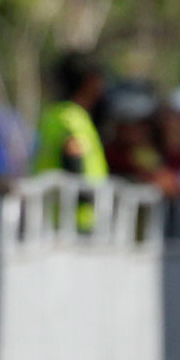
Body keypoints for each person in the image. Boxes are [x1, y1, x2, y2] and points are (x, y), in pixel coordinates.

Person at [33, 52, 109, 231]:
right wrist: (94, 198)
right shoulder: (72, 119)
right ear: (90, 81)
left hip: (53, 220)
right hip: (72, 225)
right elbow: (74, 163)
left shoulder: (55, 114)